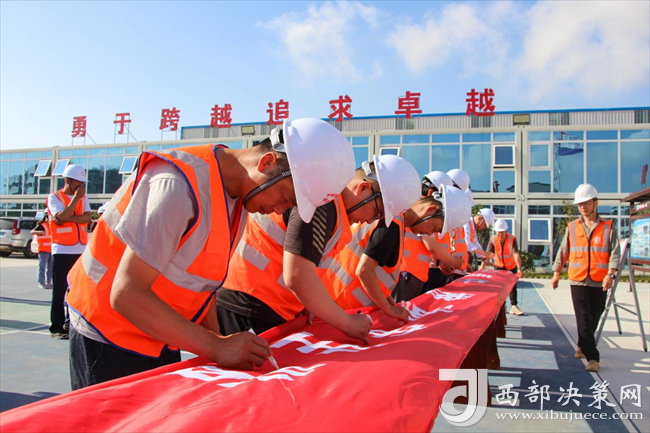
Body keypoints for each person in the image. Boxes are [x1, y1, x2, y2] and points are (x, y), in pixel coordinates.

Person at [66, 118, 354, 390]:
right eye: (285, 197)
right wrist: (215, 346)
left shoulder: (236, 197)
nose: (279, 210)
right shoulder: (178, 185)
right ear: (267, 162)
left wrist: (220, 341)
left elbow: (201, 287)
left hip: (159, 333)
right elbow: (126, 294)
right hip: (107, 334)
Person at [216, 155, 417, 341]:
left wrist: (309, 302)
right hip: (249, 305)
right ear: (363, 188)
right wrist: (347, 323)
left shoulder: (332, 207)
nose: (371, 220)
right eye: (377, 212)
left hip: (259, 304)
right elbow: (298, 276)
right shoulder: (323, 203)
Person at [328, 183, 471, 319]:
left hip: (338, 303)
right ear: (430, 210)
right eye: (435, 228)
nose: (429, 233)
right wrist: (389, 309)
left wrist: (385, 298)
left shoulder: (395, 221)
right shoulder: (393, 224)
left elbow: (372, 266)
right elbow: (364, 271)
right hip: (341, 305)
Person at [551, 183, 620, 373]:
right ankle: (593, 357)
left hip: (599, 279)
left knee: (594, 317)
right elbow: (563, 250)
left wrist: (610, 274)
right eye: (580, 204)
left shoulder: (608, 227)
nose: (582, 207)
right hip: (578, 280)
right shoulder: (573, 227)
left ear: (595, 203)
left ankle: (583, 344)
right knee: (582, 319)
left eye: (586, 203)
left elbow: (615, 252)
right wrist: (556, 272)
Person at [393, 171, 465, 302]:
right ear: (432, 193)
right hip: (407, 276)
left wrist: (439, 261)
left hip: (413, 275)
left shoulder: (414, 209)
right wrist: (453, 261)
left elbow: (421, 244)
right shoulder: (419, 211)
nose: (431, 232)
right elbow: (429, 243)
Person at [47, 164, 92, 339]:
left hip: (80, 249)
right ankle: (56, 327)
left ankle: (70, 323)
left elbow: (87, 217)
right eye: (78, 182)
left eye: (82, 182)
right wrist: (74, 202)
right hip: (62, 249)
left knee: (75, 290)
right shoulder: (54, 197)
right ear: (68, 180)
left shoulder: (83, 197)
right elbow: (60, 219)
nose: (81, 186)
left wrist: (67, 218)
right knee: (59, 290)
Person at [479, 219, 524, 314]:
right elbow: (488, 254)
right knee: (499, 287)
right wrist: (482, 267)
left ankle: (514, 306)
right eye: (498, 232)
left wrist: (519, 268)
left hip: (511, 265)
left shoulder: (512, 239)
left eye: (502, 232)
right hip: (498, 266)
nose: (500, 234)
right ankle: (502, 306)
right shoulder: (493, 239)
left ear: (506, 231)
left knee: (512, 286)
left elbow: (516, 253)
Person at [30, 211, 53, 290]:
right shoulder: (42, 225)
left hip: (51, 249)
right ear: (46, 217)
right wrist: (40, 232)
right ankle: (41, 282)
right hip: (43, 249)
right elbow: (32, 232)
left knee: (50, 268)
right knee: (42, 267)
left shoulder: (51, 225)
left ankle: (48, 282)